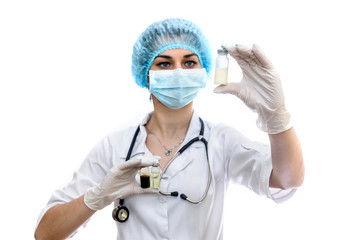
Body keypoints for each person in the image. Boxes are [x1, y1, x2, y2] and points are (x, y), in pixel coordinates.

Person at [34, 18, 304, 240]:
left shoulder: (221, 140)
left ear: (203, 71)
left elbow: (288, 178)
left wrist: (275, 115)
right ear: (146, 76)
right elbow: (45, 233)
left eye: (189, 63)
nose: (178, 71)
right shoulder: (116, 145)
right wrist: (98, 196)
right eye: (164, 64)